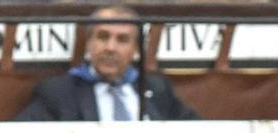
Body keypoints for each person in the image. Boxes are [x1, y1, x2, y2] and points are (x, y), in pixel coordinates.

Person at [14, 5, 197, 121]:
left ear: (135, 50)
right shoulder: (58, 93)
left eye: (122, 40)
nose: (110, 47)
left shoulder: (156, 88)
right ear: (88, 42)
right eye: (103, 37)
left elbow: (197, 132)